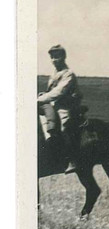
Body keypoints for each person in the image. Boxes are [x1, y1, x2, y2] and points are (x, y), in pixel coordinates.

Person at [37, 44, 81, 173]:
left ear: (64, 57)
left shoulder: (69, 74)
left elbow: (59, 92)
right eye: (52, 57)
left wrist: (40, 99)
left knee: (64, 126)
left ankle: (72, 160)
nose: (54, 60)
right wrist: (43, 94)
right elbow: (51, 90)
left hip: (66, 106)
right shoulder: (54, 73)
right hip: (53, 105)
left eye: (57, 56)